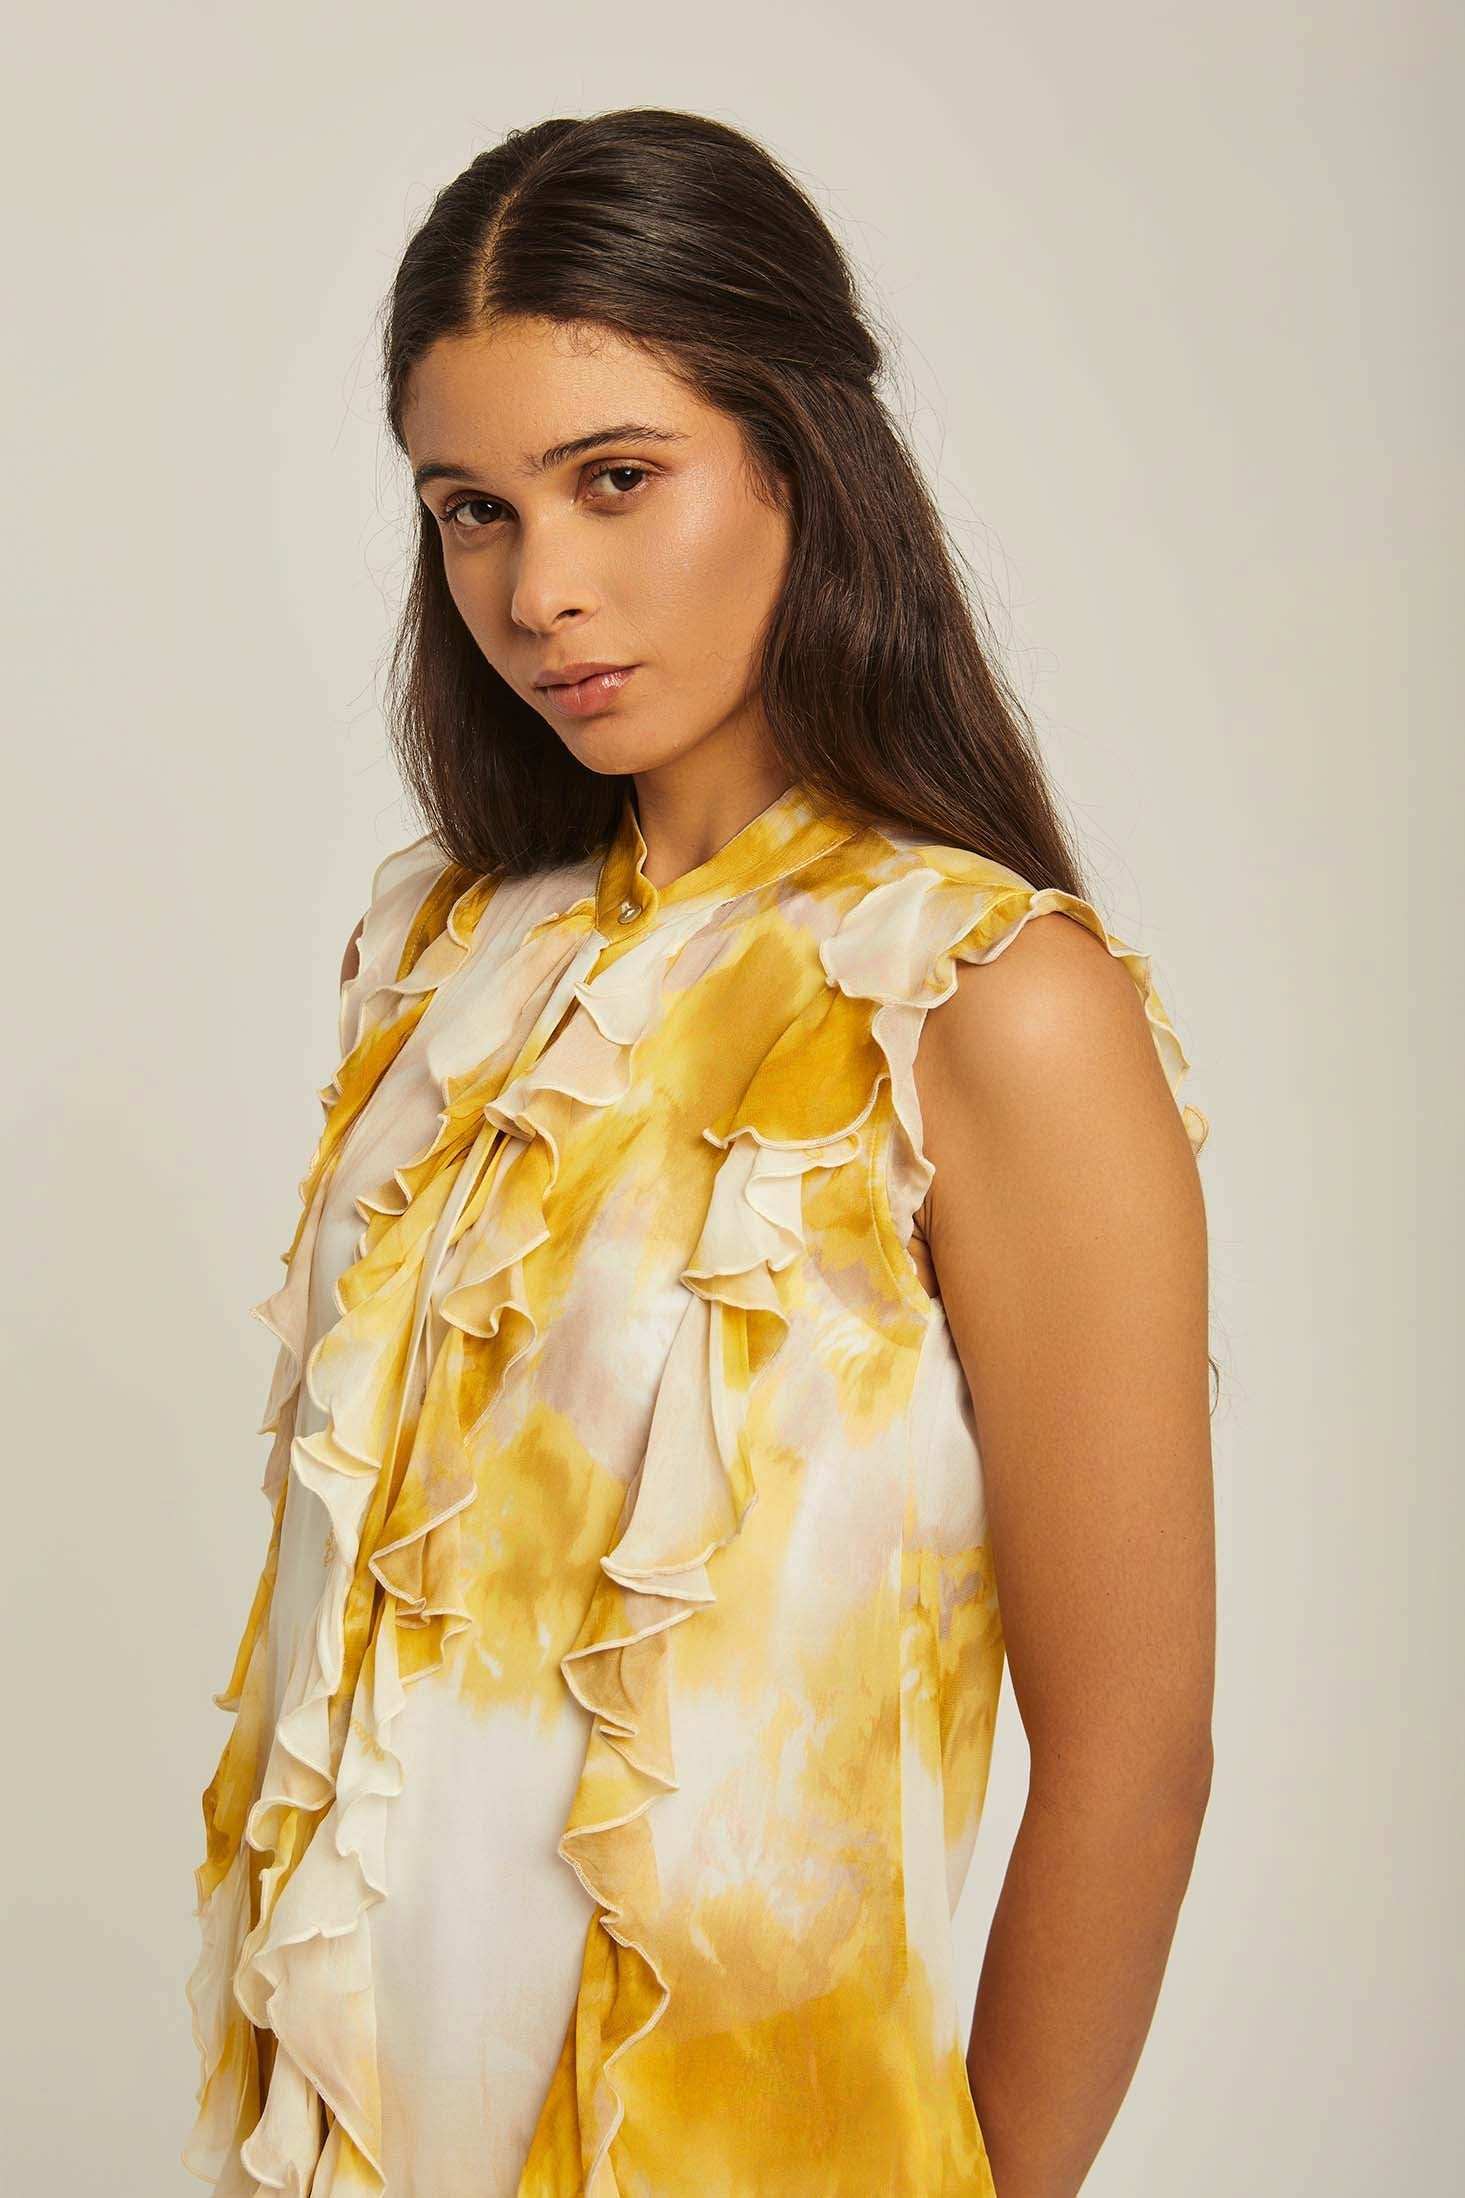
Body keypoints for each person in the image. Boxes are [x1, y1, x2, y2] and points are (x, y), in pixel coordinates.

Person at [183, 105, 1216, 2198]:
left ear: (797, 461)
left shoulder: (983, 1000)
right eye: (471, 510)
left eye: (615, 477)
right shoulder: (441, 956)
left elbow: (1133, 1753)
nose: (539, 590)